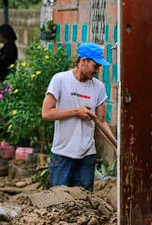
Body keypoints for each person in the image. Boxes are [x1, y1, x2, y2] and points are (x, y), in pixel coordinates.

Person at [42, 42, 114, 192]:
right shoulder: (60, 80)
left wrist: (116, 146)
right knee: (58, 202)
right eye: (95, 66)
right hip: (62, 154)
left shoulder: (99, 87)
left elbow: (101, 122)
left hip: (87, 156)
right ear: (83, 61)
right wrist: (76, 112)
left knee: (85, 204)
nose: (97, 71)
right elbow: (47, 113)